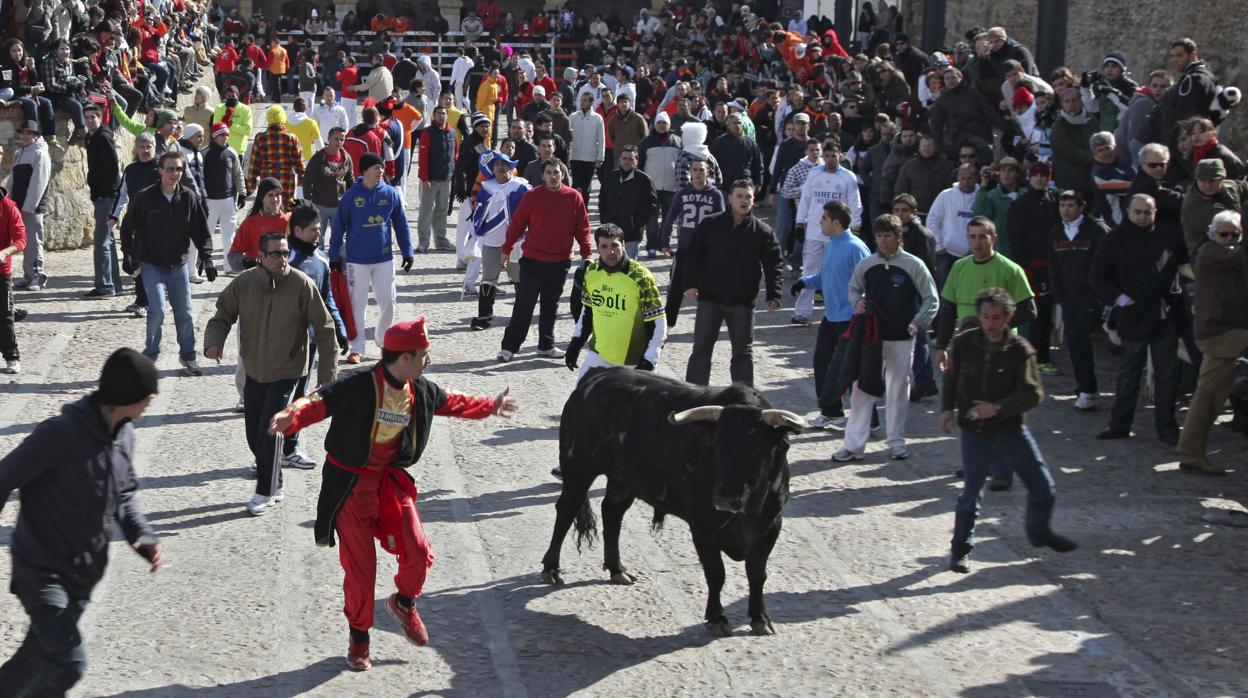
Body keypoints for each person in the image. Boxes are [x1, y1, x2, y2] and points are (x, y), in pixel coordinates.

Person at [268, 318, 518, 668]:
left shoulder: (421, 390)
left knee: (418, 550)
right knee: (360, 572)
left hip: (388, 485)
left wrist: (490, 406)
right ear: (404, 358)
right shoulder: (357, 384)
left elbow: (453, 402)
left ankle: (403, 601)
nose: (428, 360)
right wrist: (289, 417)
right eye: (424, 355)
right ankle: (359, 640)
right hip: (350, 488)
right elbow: (317, 401)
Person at [0, 348, 163, 694]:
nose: (151, 402)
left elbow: (126, 492)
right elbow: (4, 477)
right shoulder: (59, 434)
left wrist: (141, 534)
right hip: (42, 574)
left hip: (83, 575)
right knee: (69, 664)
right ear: (129, 397)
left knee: (35, 661)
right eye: (148, 396)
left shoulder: (124, 434)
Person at [941, 288, 1078, 574]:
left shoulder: (1020, 350)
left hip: (1009, 429)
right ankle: (960, 551)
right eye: (986, 317)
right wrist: (947, 409)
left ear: (1009, 318)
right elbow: (952, 378)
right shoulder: (964, 343)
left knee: (1043, 487)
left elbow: (1033, 394)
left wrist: (999, 408)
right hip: (974, 430)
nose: (990, 324)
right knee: (971, 493)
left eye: (997, 318)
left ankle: (1040, 533)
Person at [205, 230, 338, 514]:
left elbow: (325, 327)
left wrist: (326, 372)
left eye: (285, 252)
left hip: (288, 370)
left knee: (270, 429)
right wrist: (214, 343)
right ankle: (275, 480)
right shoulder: (244, 283)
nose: (282, 259)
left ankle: (264, 491)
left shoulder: (302, 284)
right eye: (276, 253)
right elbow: (223, 314)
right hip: (254, 368)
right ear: (261, 256)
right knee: (254, 435)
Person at [834, 213, 938, 461]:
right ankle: (853, 445)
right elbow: (853, 288)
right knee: (861, 390)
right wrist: (857, 302)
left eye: (888, 236)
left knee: (898, 390)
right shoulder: (868, 264)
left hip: (902, 338)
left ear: (899, 237)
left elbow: (931, 299)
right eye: (879, 236)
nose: (883, 241)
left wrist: (917, 323)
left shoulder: (914, 265)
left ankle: (896, 442)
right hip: (871, 337)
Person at [1090, 194, 1187, 445]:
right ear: (1128, 211)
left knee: (1167, 374)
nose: (1143, 216)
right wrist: (1120, 299)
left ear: (1155, 213)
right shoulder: (1113, 240)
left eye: (1148, 212)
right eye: (1138, 212)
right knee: (1129, 373)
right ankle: (1120, 424)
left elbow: (1182, 263)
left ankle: (1167, 428)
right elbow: (1099, 276)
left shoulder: (1168, 236)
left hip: (1163, 314)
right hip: (1132, 314)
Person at [119, 150, 215, 374]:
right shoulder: (145, 197)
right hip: (152, 264)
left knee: (185, 313)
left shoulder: (188, 197)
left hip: (178, 265)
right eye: (170, 169)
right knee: (157, 310)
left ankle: (188, 357)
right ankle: (150, 356)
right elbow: (127, 227)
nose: (175, 173)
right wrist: (129, 254)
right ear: (160, 170)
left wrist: (207, 258)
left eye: (179, 169)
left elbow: (200, 229)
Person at [683, 180, 784, 386]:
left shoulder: (762, 231)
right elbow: (693, 255)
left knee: (742, 354)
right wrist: (690, 284)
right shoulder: (711, 224)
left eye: (748, 196)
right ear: (730, 198)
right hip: (710, 299)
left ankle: (743, 399)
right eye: (739, 196)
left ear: (753, 200)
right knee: (701, 350)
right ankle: (693, 394)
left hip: (742, 303)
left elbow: (774, 263)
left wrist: (774, 294)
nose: (744, 200)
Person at [1171, 212, 1245, 476]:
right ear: (1213, 234)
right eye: (1223, 234)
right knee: (1208, 396)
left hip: (1230, 331)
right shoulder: (1211, 254)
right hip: (1221, 333)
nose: (1228, 239)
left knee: (1212, 395)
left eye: (1234, 235)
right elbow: (1238, 256)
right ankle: (1191, 453)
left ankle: (1192, 452)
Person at [498, 159, 592, 362]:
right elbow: (517, 225)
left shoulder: (574, 197)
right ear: (543, 176)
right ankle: (509, 347)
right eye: (549, 172)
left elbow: (582, 228)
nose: (553, 176)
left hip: (560, 262)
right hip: (533, 260)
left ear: (562, 174)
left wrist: (587, 254)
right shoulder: (532, 196)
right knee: (524, 305)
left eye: (556, 172)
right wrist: (506, 250)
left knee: (551, 305)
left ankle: (546, 345)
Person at [792, 201, 870, 428]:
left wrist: (861, 309)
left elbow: (867, 280)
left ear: (836, 222)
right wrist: (804, 282)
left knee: (850, 369)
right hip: (831, 316)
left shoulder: (856, 248)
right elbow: (825, 276)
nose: (820, 222)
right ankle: (831, 412)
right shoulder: (832, 244)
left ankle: (864, 418)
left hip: (850, 318)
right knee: (822, 362)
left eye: (824, 218)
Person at [331, 153, 413, 363]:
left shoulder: (390, 194)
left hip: (383, 258)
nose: (381, 171)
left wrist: (407, 251)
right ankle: (357, 348)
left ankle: (383, 341)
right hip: (356, 261)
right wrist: (333, 255)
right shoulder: (351, 196)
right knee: (357, 305)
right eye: (376, 168)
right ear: (364, 171)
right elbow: (338, 226)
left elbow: (401, 224)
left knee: (388, 302)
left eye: (382, 168)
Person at [565, 222, 666, 382]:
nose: (610, 251)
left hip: (633, 363)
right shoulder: (591, 273)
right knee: (580, 402)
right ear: (597, 247)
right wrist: (576, 342)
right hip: (599, 355)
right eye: (604, 246)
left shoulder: (641, 277)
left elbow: (657, 322)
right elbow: (587, 312)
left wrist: (649, 360)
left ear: (623, 244)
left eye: (614, 245)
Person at [792, 139, 862, 325]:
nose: (830, 159)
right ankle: (803, 312)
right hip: (815, 230)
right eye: (827, 155)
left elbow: (855, 205)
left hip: (838, 235)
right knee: (810, 270)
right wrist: (800, 222)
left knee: (836, 273)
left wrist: (856, 228)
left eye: (834, 155)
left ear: (840, 156)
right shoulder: (814, 174)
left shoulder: (848, 177)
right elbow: (805, 199)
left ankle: (839, 310)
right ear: (823, 156)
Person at [1007, 162, 1062, 374]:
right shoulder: (1020, 205)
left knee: (1047, 312)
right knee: (1031, 311)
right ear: (1029, 177)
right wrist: (1024, 264)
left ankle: (1041, 354)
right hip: (1030, 266)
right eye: (1036, 175)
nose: (1039, 179)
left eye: (1044, 175)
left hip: (1051, 264)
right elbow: (1015, 237)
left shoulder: (1055, 200)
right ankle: (1030, 353)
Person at [469, 150, 530, 330]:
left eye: (504, 164)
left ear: (511, 167)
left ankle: (521, 316)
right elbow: (479, 213)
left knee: (518, 279)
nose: (501, 167)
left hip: (515, 243)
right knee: (488, 278)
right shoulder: (486, 187)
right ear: (492, 169)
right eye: (497, 164)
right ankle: (484, 316)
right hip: (491, 242)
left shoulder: (522, 187)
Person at [663, 160, 725, 326]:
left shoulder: (715, 195)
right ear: (690, 172)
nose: (698, 173)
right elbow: (670, 217)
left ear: (708, 172)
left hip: (706, 252)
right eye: (695, 170)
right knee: (675, 289)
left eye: (701, 170)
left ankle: (708, 324)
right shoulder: (683, 193)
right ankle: (667, 324)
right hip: (685, 248)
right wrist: (665, 241)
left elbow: (723, 223)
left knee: (708, 289)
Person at [84, 104, 122, 299]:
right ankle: (113, 284)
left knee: (101, 241)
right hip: (103, 195)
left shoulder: (102, 138)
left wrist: (105, 194)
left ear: (100, 118)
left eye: (93, 117)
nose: (90, 120)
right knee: (108, 240)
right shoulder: (92, 138)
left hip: (106, 196)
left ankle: (105, 287)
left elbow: (113, 168)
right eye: (87, 117)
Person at [8, 121, 50, 292]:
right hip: (18, 206)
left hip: (32, 207)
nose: (25, 136)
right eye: (23, 132)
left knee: (33, 241)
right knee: (23, 241)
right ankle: (28, 276)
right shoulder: (18, 154)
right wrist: (9, 203)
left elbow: (38, 183)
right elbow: (12, 180)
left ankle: (37, 275)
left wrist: (28, 207)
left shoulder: (40, 154)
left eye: (29, 133)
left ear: (35, 135)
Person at [1180, 159, 1248, 261]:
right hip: (1208, 257)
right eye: (1203, 180)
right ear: (1196, 180)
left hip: (1234, 247)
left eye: (1212, 180)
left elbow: (1243, 187)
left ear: (1222, 179)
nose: (1207, 185)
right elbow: (1232, 226)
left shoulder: (1230, 187)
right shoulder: (1194, 205)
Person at [598, 145, 658, 259]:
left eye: (630, 159)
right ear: (620, 159)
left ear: (636, 161)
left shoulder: (644, 180)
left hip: (632, 234)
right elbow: (602, 199)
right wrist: (604, 218)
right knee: (611, 264)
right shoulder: (612, 177)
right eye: (624, 158)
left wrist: (636, 223)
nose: (626, 162)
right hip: (611, 232)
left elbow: (652, 205)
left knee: (628, 267)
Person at [926, 163, 980, 289]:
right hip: (947, 254)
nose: (966, 182)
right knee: (945, 291)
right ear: (958, 178)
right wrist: (939, 245)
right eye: (963, 178)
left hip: (974, 254)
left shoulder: (982, 196)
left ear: (976, 178)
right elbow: (932, 220)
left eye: (970, 178)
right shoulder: (946, 195)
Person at [417, 105, 458, 253]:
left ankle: (441, 241)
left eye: (444, 113)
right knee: (426, 211)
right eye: (439, 113)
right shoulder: (427, 133)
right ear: (434, 116)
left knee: (442, 210)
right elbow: (422, 157)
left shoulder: (452, 133)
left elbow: (455, 155)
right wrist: (424, 178)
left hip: (446, 179)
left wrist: (454, 174)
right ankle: (423, 242)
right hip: (430, 180)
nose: (442, 115)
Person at [304, 127, 354, 247]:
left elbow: (351, 181)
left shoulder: (346, 159)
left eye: (342, 139)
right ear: (329, 138)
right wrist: (308, 203)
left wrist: (352, 201)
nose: (339, 142)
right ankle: (320, 263)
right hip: (319, 205)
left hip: (339, 206)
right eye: (336, 139)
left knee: (339, 238)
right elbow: (307, 180)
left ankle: (336, 262)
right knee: (317, 238)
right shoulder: (318, 158)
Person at [247, 105, 305, 204]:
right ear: (283, 118)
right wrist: (301, 179)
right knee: (285, 211)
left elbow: (254, 164)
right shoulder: (292, 138)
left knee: (267, 211)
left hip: (266, 181)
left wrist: (251, 185)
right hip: (286, 182)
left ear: (268, 119)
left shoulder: (260, 138)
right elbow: (300, 163)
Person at [0, 188, 25, 374]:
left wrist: (5, 252)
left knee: (5, 316)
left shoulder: (9, 208)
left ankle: (12, 356)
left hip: (2, 271)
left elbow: (21, 239)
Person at [568, 91, 605, 204]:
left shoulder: (597, 118)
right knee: (575, 185)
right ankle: (575, 208)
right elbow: (568, 137)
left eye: (585, 100)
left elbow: (601, 138)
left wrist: (600, 156)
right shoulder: (573, 117)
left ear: (591, 102)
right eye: (581, 100)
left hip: (589, 158)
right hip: (575, 156)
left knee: (586, 186)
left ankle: (584, 208)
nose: (582, 103)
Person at [287, 96, 324, 163]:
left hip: (288, 159)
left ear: (293, 108)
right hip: (306, 159)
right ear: (305, 109)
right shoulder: (311, 123)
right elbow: (319, 146)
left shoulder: (285, 122)